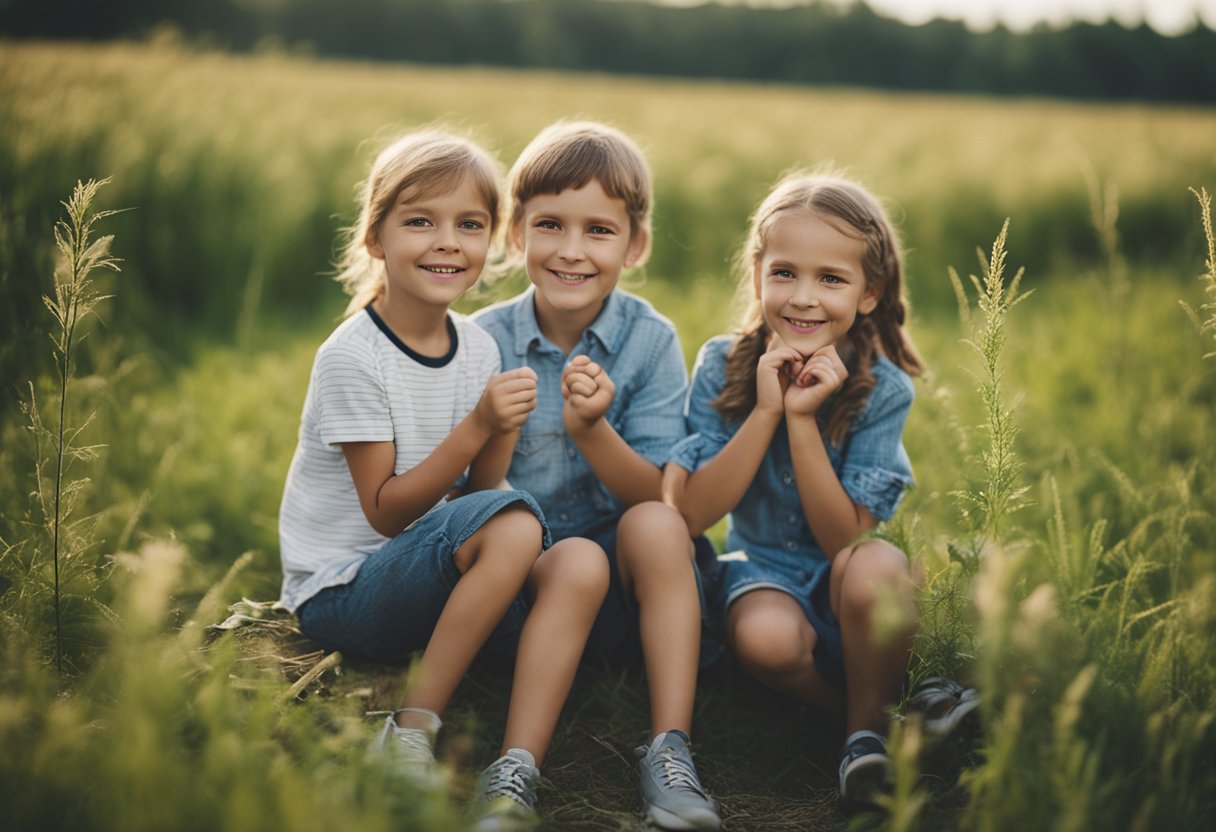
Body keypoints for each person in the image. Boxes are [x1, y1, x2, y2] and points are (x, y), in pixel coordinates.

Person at [277, 129, 608, 831]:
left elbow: (481, 490)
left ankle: (517, 766)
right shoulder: (354, 358)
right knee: (518, 524)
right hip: (345, 591)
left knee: (580, 559)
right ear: (375, 238)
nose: (447, 242)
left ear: (492, 243)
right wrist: (478, 425)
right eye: (420, 221)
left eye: (470, 225)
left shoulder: (478, 346)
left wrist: (503, 426)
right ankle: (408, 730)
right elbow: (386, 515)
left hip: (426, 580)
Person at [473, 121, 721, 831]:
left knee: (652, 522)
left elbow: (663, 499)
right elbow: (465, 505)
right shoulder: (482, 340)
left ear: (635, 244)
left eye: (600, 231)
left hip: (625, 600)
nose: (572, 252)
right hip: (519, 595)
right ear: (516, 233)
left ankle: (671, 749)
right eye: (550, 224)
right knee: (567, 557)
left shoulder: (650, 340)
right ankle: (515, 769)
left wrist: (592, 430)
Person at [662, 169, 924, 809]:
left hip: (844, 585)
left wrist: (804, 419)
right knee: (767, 640)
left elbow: (844, 541)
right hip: (761, 573)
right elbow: (689, 513)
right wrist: (766, 411)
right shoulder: (723, 364)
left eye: (831, 279)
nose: (804, 297)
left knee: (880, 564)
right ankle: (860, 726)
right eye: (785, 273)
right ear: (758, 275)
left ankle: (864, 736)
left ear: (868, 293)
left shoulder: (884, 388)